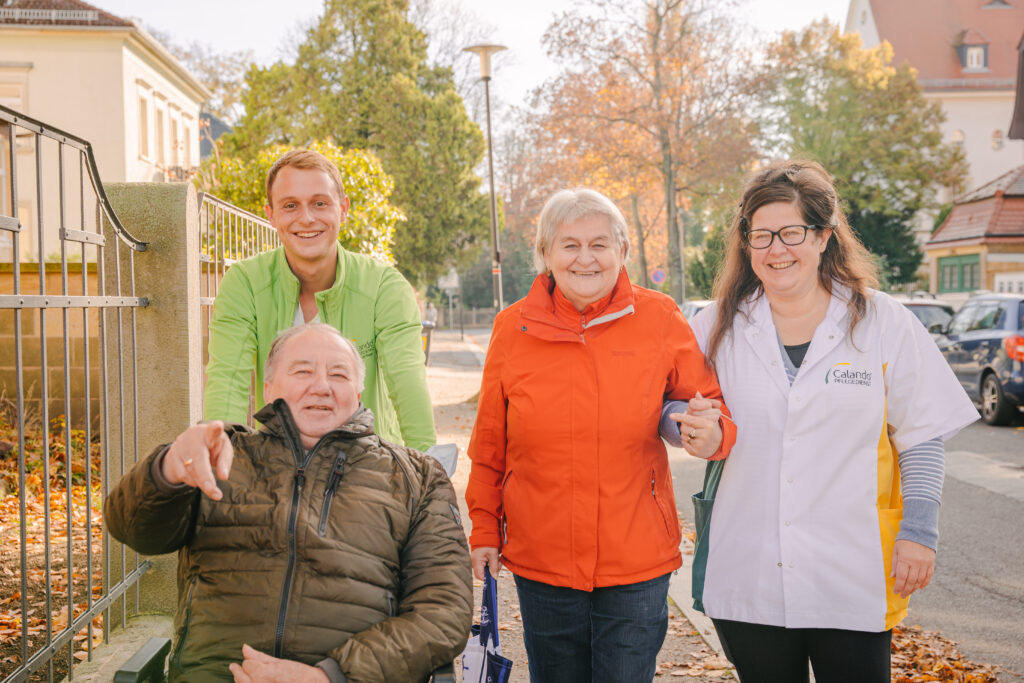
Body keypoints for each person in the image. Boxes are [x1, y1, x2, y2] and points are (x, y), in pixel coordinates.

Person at [662, 161, 979, 683]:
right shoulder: (717, 325)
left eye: (791, 232)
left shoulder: (880, 321)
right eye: (760, 235)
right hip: (749, 570)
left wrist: (919, 531)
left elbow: (922, 434)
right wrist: (688, 426)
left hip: (850, 569)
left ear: (825, 236)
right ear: (745, 243)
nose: (776, 249)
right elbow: (666, 406)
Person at [465, 188, 737, 683]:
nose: (585, 258)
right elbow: (489, 445)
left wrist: (710, 432)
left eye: (599, 244)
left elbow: (710, 410)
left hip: (636, 558)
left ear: (623, 251)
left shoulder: (660, 318)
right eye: (569, 245)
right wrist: (484, 528)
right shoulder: (512, 330)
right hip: (542, 556)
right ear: (546, 255)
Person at [106, 324, 472, 683]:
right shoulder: (221, 457)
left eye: (339, 375)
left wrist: (330, 676)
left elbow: (443, 611)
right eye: (303, 371)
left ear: (358, 394)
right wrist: (167, 468)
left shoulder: (417, 477)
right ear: (269, 388)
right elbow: (133, 530)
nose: (322, 386)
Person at [204, 149, 435, 451]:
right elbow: (227, 380)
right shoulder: (245, 283)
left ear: (343, 209)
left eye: (320, 203)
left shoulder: (384, 287)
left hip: (369, 470)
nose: (307, 218)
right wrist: (220, 466)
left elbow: (407, 383)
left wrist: (431, 472)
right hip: (282, 471)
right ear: (271, 215)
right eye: (290, 206)